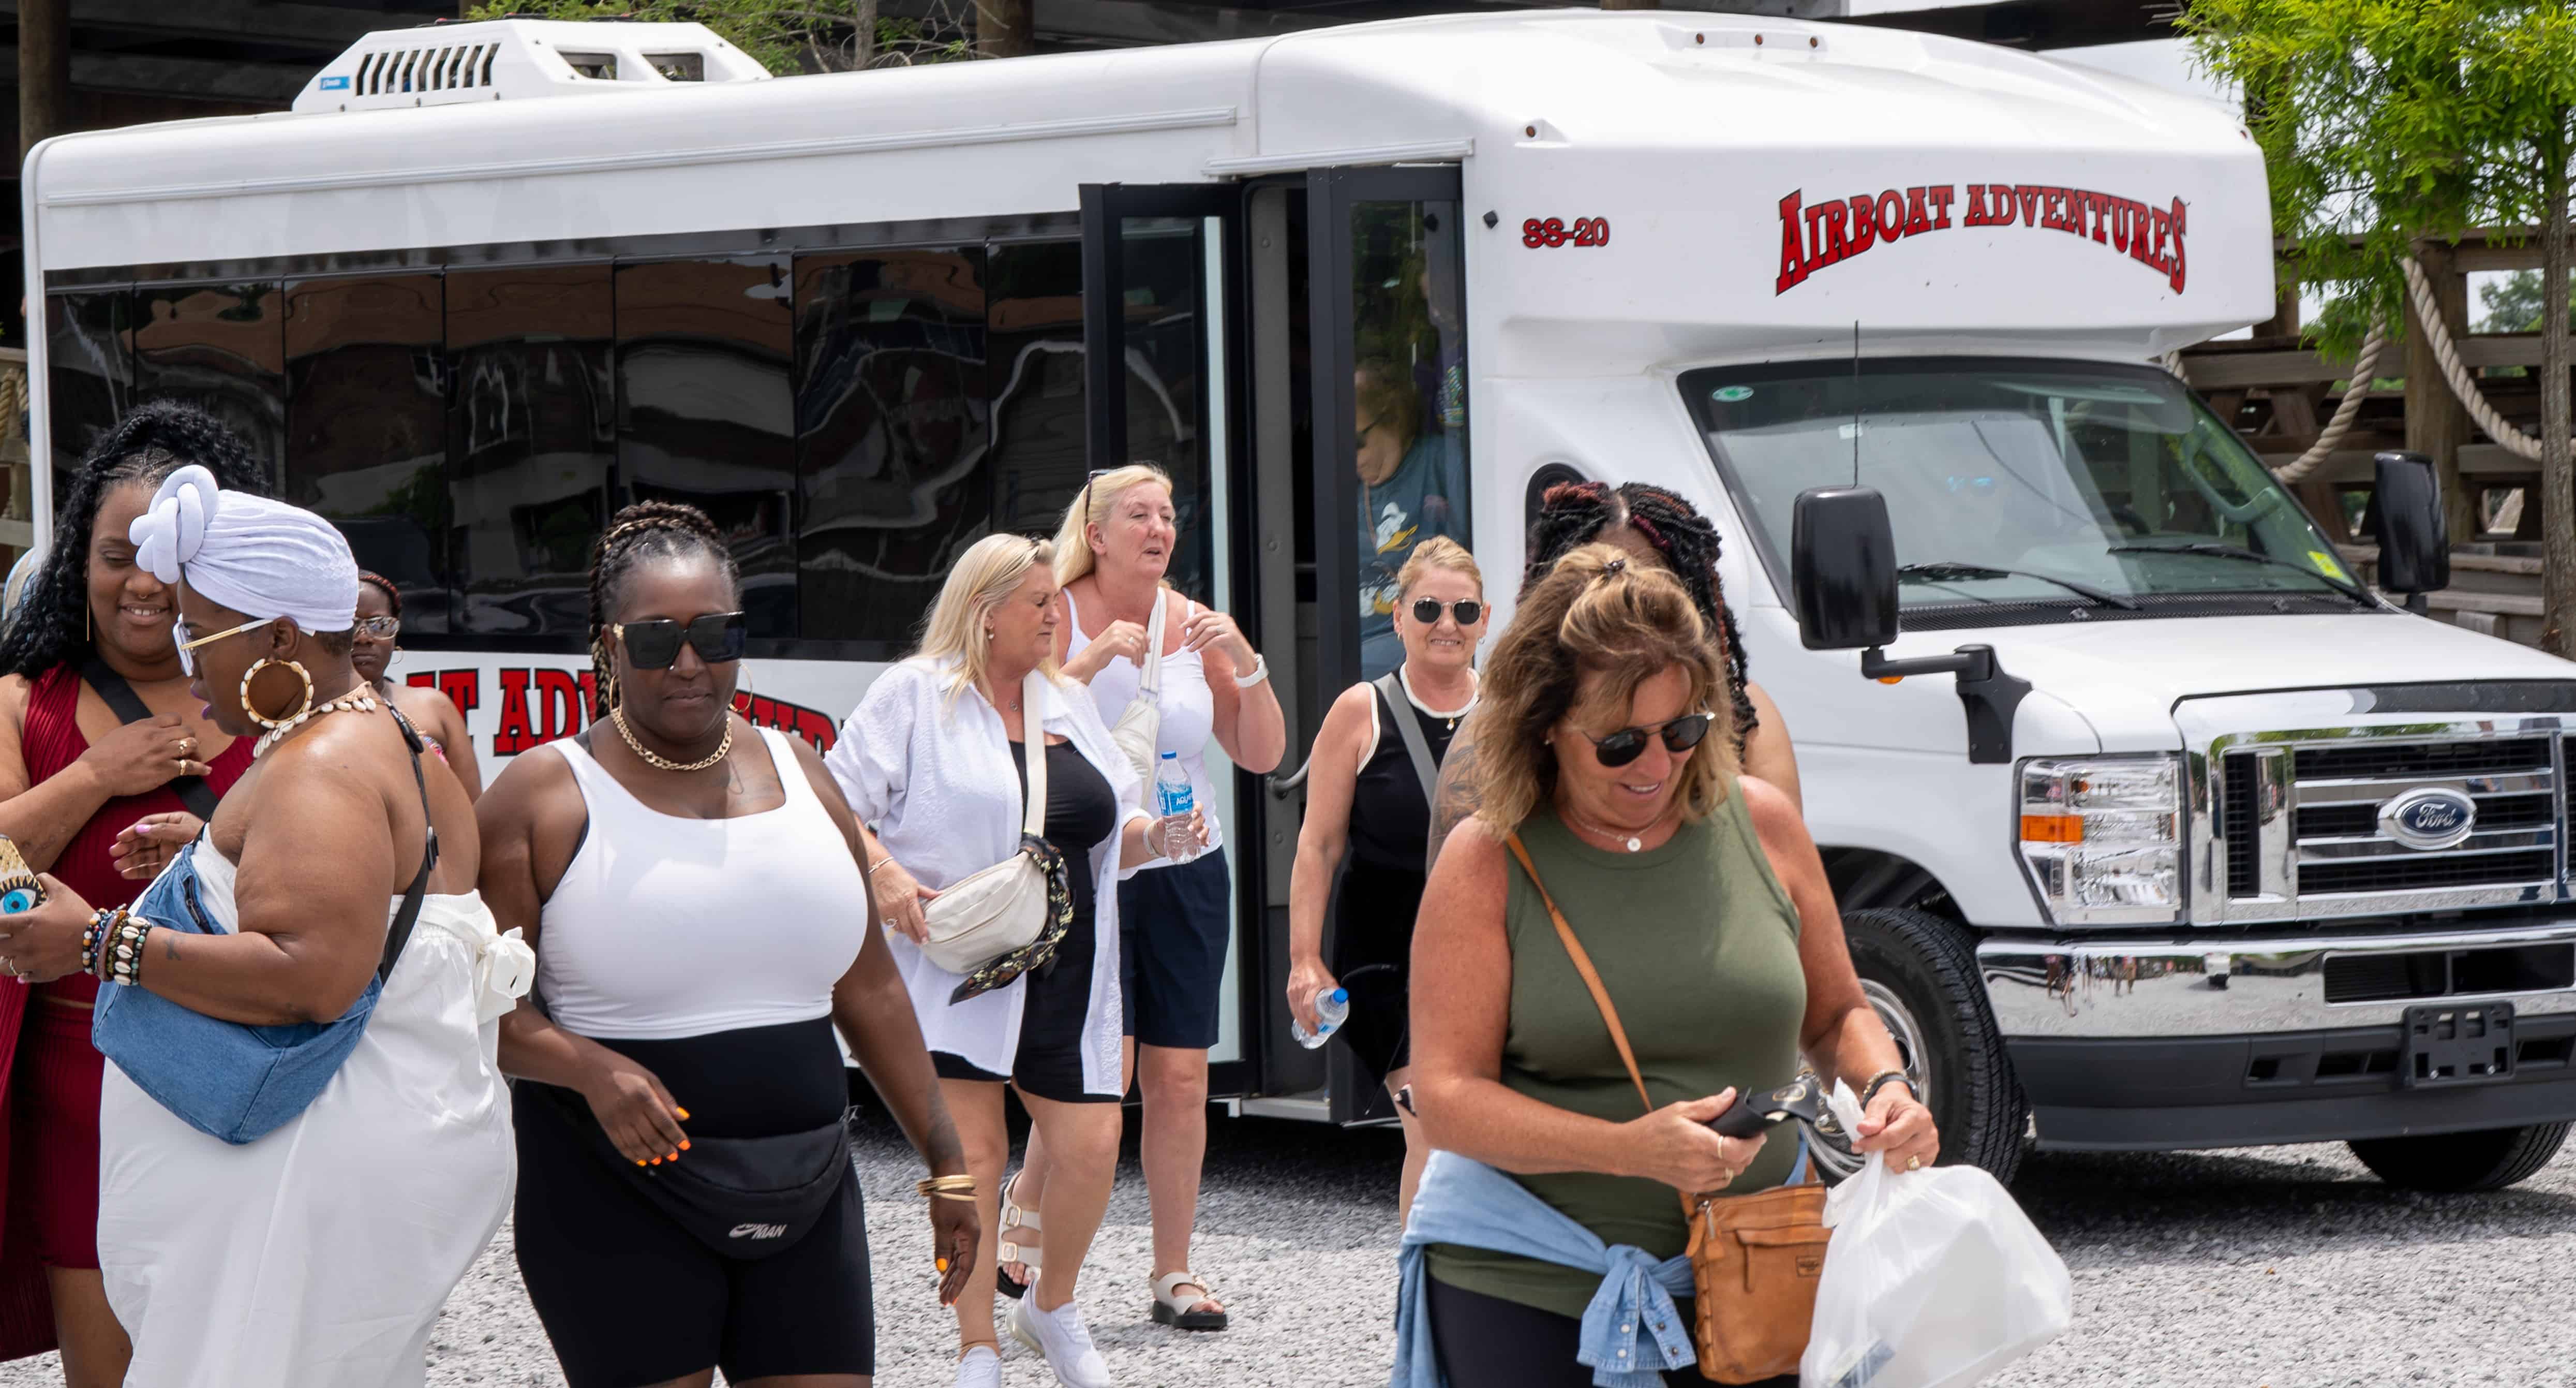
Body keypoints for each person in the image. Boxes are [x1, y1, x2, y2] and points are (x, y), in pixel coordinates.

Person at [0, 462, 530, 1385]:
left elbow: (312, 975)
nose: (185, 655)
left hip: (297, 1188)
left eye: (200, 632)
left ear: (281, 635)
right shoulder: (377, 731)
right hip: (323, 1178)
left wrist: (97, 940)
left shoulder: (321, 764)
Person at [1402, 545, 1939, 1387]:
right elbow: (1446, 1097)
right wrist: (1626, 1150)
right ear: (1543, 724)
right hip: (1530, 1291)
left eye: (1682, 730)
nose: (1655, 765)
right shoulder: (1485, 861)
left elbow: (1836, 1017)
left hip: (1755, 1270)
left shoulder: (1761, 825)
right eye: (1617, 744)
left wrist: (1886, 1089)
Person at [480, 501, 975, 1388]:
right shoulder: (543, 795)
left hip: (808, 1183)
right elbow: (477, 1009)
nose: (687, 662)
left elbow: (869, 990)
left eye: (715, 632)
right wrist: (592, 1069)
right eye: (654, 640)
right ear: (607, 643)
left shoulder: (803, 769)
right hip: (614, 1191)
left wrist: (948, 1162)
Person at [827, 534, 1203, 1388]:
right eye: (1038, 602)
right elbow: (835, 799)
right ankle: (976, 1347)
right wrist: (883, 874)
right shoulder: (914, 695)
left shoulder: (1062, 703)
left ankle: (1049, 1304)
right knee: (972, 1162)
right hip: (958, 966)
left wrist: (1160, 836)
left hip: (1071, 969)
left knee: (1091, 1141)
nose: (1054, 615)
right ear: (983, 611)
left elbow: (1115, 829)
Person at [0, 403, 265, 1384]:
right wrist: (98, 774)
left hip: (241, 1060)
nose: (146, 582)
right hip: (80, 1075)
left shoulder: (271, 700)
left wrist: (218, 848)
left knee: (247, 1346)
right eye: (119, 553)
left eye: (171, 555)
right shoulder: (23, 700)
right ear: (79, 558)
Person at [997, 464, 1286, 1333]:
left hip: (1186, 862)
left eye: (1166, 514)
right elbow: (1011, 716)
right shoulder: (1057, 608)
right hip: (1091, 863)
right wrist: (1087, 658)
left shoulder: (1193, 621)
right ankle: (1028, 1219)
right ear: (1096, 532)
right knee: (1100, 1069)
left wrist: (1245, 658)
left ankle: (1173, 1270)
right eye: (1139, 513)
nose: (1158, 526)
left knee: (1180, 1075)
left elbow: (1263, 753)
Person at [1427, 481, 1799, 871]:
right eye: (1619, 743)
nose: (1626, 598)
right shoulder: (1491, 736)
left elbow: (1780, 895)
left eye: (1683, 731)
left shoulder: (1748, 720)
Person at [1287, 535, 1483, 1222]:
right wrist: (1304, 959)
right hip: (1382, 958)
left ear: (1484, 621)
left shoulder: (1508, 716)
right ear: (1397, 616)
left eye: (1463, 610)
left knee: (1485, 1138)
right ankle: (1423, 1313)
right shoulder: (1358, 712)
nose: (1445, 624)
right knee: (1431, 1124)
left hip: (1483, 956)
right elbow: (1317, 844)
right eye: (1427, 606)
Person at [1356, 358, 1464, 681]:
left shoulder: (1441, 463)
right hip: (1354, 646)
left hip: (1418, 640)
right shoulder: (1345, 489)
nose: (1351, 458)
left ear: (1392, 419)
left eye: (1357, 442)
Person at [351, 571, 483, 800]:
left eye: (380, 625)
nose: (363, 637)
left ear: (396, 634)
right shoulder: (302, 710)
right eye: (350, 625)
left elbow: (473, 812)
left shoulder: (435, 707)